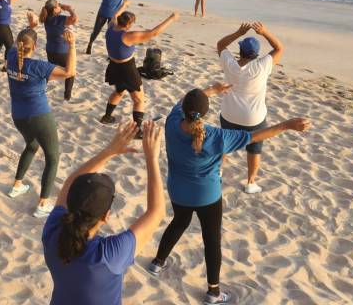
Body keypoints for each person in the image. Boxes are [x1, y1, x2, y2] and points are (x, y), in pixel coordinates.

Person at [146, 85, 310, 304]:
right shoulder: (216, 136)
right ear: (204, 113)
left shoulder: (171, 121)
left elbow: (182, 99)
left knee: (179, 222)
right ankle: (213, 292)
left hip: (178, 190)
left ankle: (158, 262)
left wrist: (211, 90)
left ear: (184, 110)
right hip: (207, 196)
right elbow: (256, 135)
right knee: (212, 239)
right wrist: (287, 125)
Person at [42, 121, 165, 305]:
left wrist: (109, 151)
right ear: (106, 216)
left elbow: (68, 183)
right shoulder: (107, 257)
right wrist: (152, 158)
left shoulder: (52, 232)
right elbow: (157, 212)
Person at [6, 27, 76, 217]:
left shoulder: (12, 57)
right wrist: (72, 45)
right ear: (35, 46)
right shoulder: (38, 66)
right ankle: (43, 204)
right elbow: (70, 72)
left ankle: (17, 185)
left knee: (31, 145)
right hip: (39, 116)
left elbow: (16, 44)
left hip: (19, 116)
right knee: (52, 157)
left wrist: (32, 26)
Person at [216, 22, 284, 194]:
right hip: (253, 117)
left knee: (226, 143)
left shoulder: (230, 63)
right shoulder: (262, 66)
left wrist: (239, 32)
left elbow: (220, 45)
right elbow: (279, 48)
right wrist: (265, 32)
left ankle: (218, 172)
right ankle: (250, 183)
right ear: (256, 54)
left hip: (229, 113)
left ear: (240, 51)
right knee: (254, 149)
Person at [99, 10, 177, 137]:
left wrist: (123, 5)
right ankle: (137, 131)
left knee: (119, 91)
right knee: (139, 100)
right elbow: (153, 33)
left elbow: (114, 15)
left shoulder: (111, 28)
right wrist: (172, 18)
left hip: (114, 67)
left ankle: (107, 117)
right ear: (128, 24)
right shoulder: (128, 36)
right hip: (127, 69)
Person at [39, 0, 78, 101]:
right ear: (54, 9)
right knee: (71, 72)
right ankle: (67, 96)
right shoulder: (59, 19)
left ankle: (39, 88)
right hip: (61, 51)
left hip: (50, 49)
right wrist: (70, 9)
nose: (60, 6)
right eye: (58, 6)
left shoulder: (46, 17)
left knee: (50, 71)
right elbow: (75, 19)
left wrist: (60, 7)